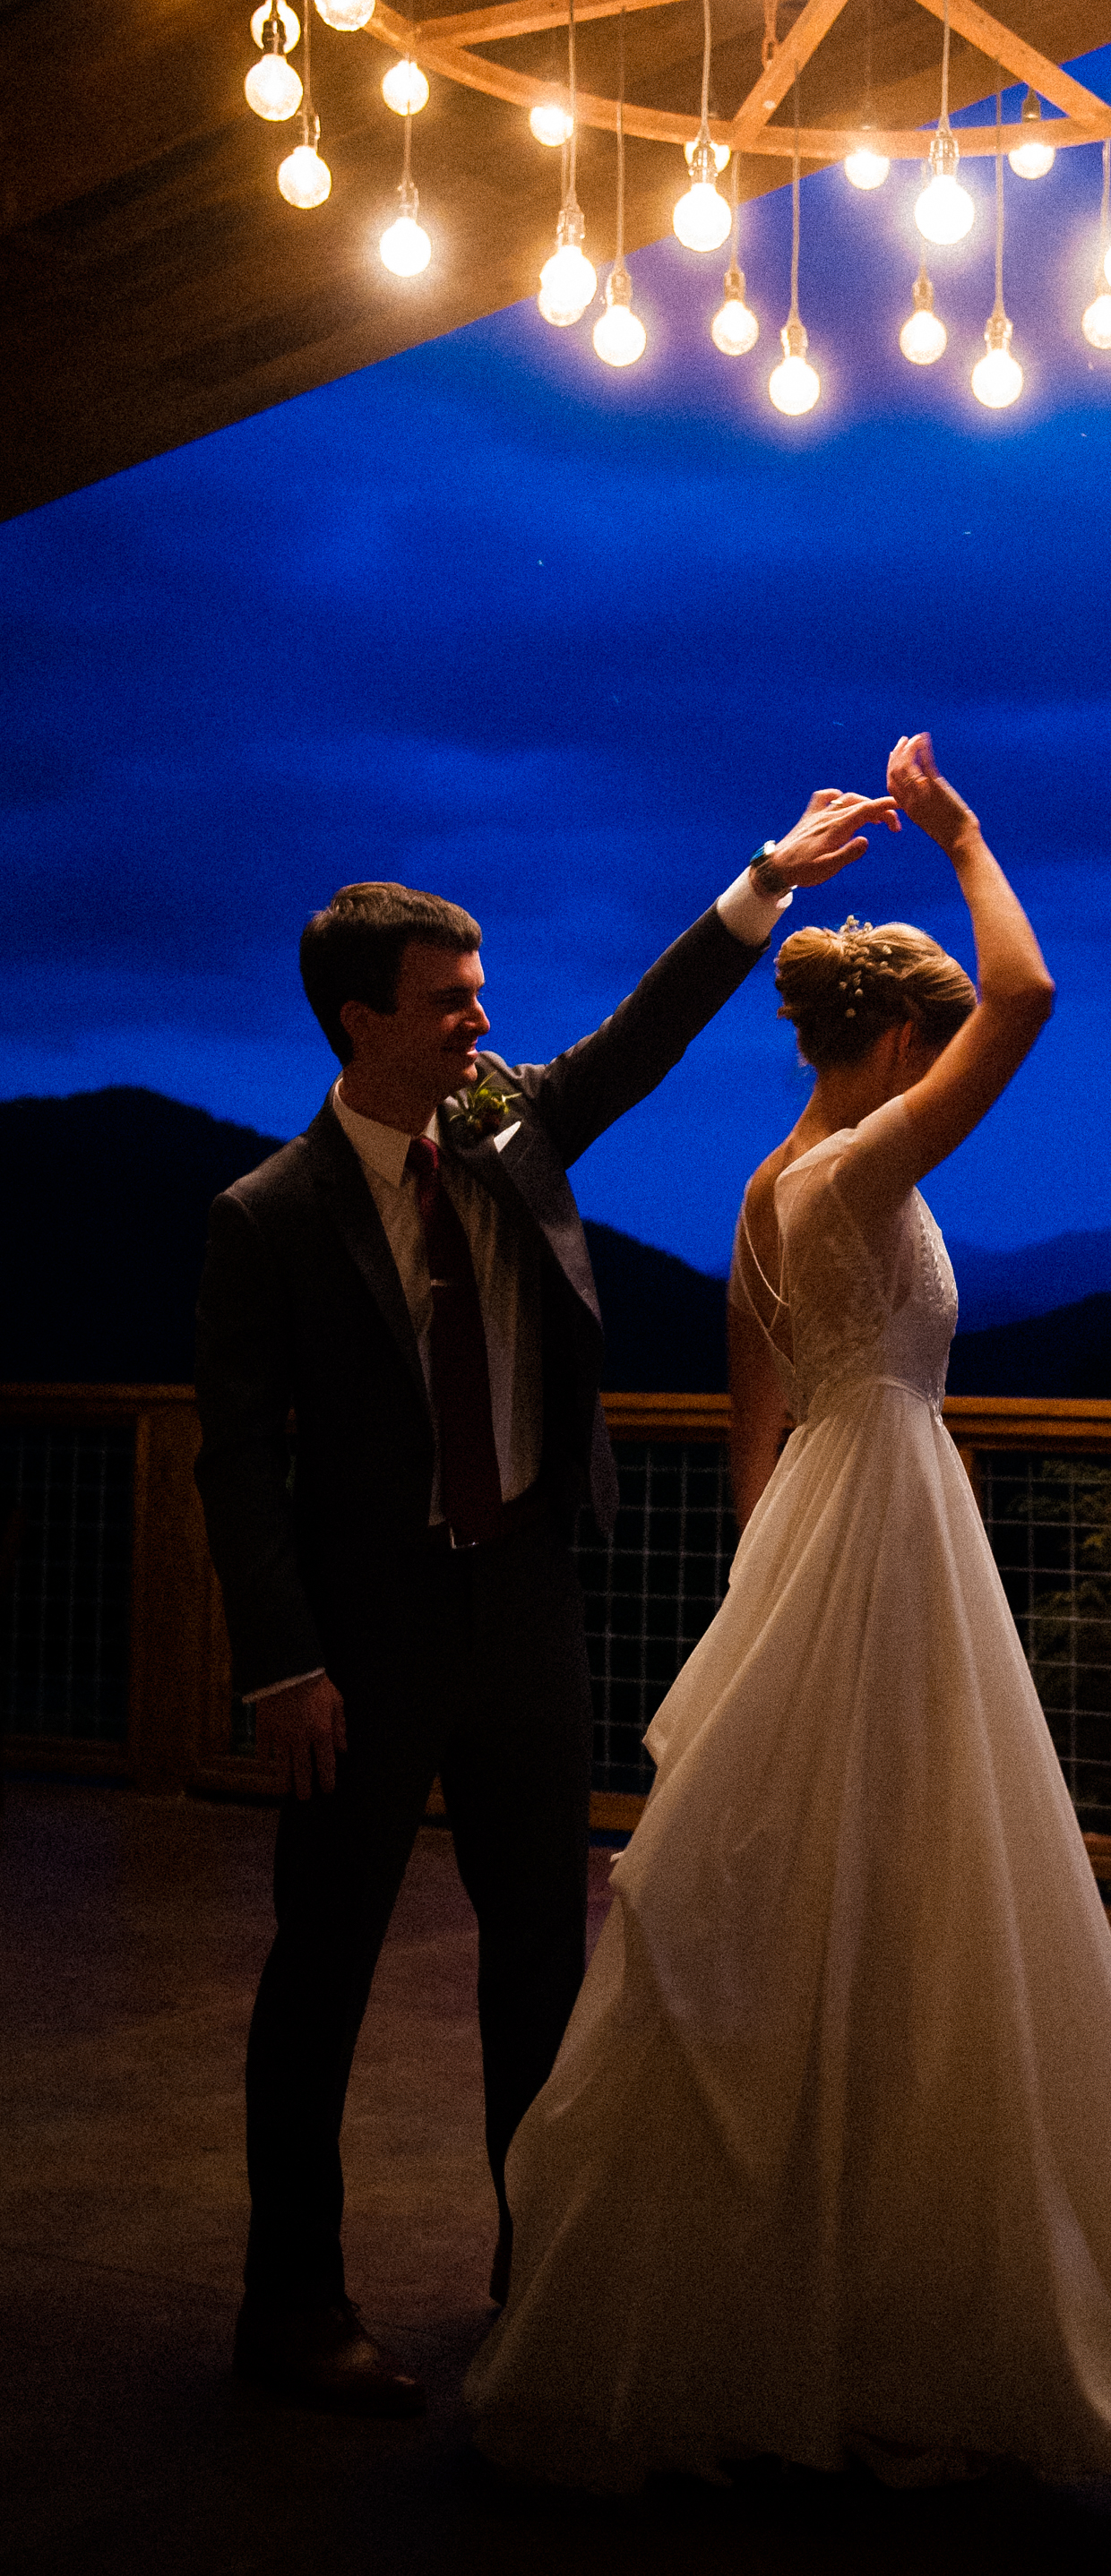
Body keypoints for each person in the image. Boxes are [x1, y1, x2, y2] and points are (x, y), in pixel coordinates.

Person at [464, 735, 1111, 2487]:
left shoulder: (765, 1191)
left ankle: (817, 2281)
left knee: (832, 1904)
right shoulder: (861, 1172)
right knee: (913, 1904)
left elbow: (756, 1431)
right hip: (890, 1543)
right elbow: (1035, 991)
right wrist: (968, 840)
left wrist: (771, 1594)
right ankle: (887, 2300)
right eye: (931, 1046)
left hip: (835, 1534)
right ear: (899, 1046)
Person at [194, 786, 899, 2419]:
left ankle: (548, 2284)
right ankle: (290, 2307)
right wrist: (283, 1661)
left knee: (542, 1965)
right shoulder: (268, 1221)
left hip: (523, 1611)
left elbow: (634, 1042)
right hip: (359, 1648)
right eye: (449, 999)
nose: (481, 1019)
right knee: (323, 1969)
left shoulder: (511, 1126)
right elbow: (235, 1463)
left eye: (481, 992)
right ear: (363, 1019)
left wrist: (763, 885)